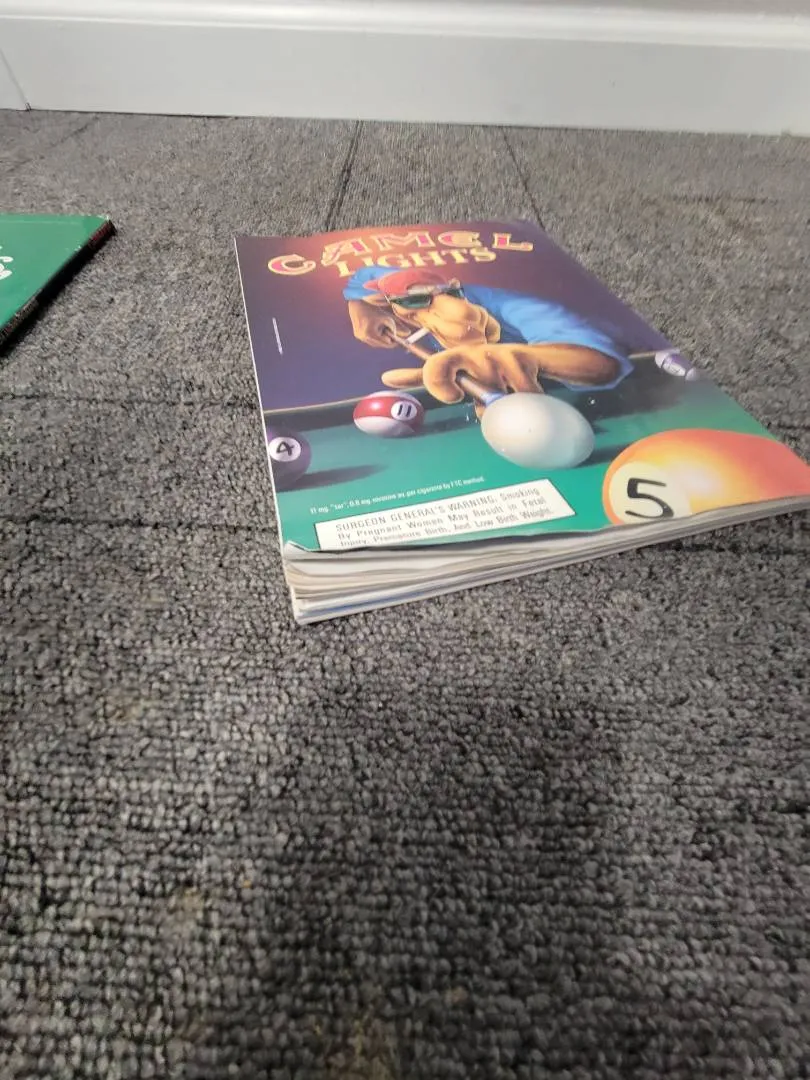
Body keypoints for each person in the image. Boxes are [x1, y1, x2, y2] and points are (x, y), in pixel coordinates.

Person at [343, 266, 634, 412]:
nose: (416, 309)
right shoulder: (405, 287)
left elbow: (601, 363)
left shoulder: (517, 308)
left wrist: (526, 357)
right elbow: (364, 275)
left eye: (421, 299)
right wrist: (359, 307)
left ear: (453, 289)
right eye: (408, 301)